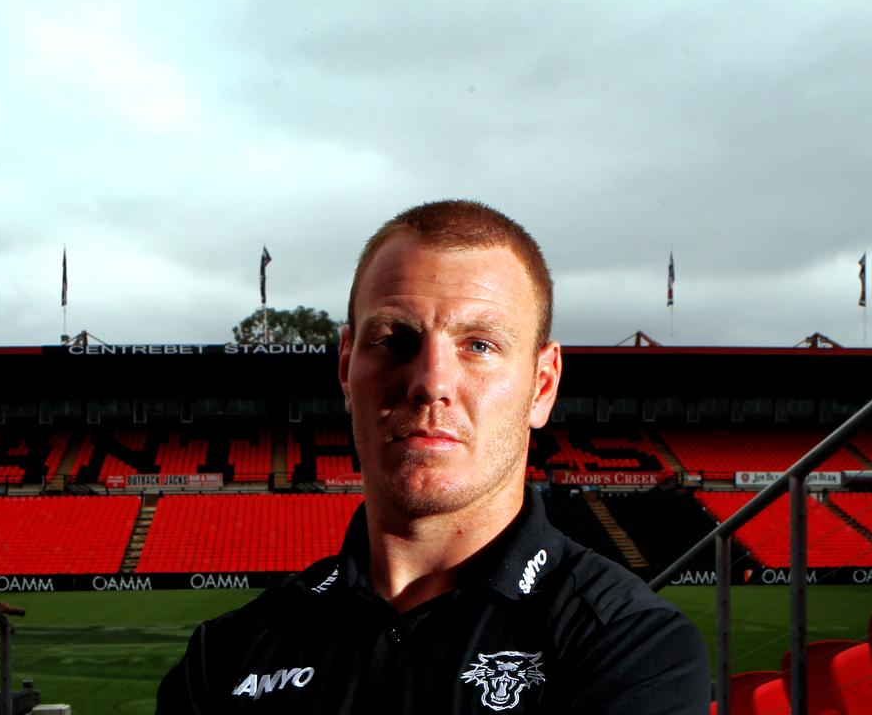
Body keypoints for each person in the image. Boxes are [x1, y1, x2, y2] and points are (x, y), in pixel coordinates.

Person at [157, 200, 709, 713]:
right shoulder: (224, 656)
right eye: (395, 338)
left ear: (542, 386)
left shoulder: (631, 646)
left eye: (480, 345)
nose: (430, 382)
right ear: (346, 366)